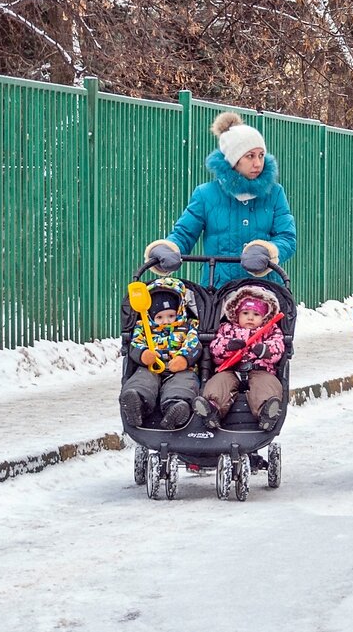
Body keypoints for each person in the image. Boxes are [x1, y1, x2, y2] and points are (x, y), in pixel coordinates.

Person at [143, 111, 296, 288]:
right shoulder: (206, 194)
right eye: (250, 156)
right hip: (218, 291)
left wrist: (268, 251)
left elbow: (286, 237)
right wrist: (168, 248)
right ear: (233, 160)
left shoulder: (274, 193)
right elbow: (184, 233)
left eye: (261, 155)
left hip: (263, 291)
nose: (258, 163)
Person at [194, 284, 286, 431]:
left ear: (265, 317)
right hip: (230, 369)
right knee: (219, 383)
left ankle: (266, 411)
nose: (250, 317)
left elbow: (278, 346)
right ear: (236, 313)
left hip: (260, 369)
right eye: (245, 313)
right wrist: (228, 347)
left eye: (256, 315)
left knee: (266, 385)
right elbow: (215, 347)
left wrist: (265, 350)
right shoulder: (227, 328)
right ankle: (212, 409)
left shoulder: (270, 330)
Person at [119, 277, 202, 430]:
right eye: (159, 317)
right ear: (151, 316)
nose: (166, 321)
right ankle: (137, 404)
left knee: (183, 385)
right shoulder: (143, 327)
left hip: (180, 369)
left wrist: (184, 358)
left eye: (171, 316)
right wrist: (144, 354)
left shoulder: (188, 326)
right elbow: (135, 344)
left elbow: (194, 343)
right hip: (151, 367)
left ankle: (175, 409)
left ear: (179, 311)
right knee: (142, 380)